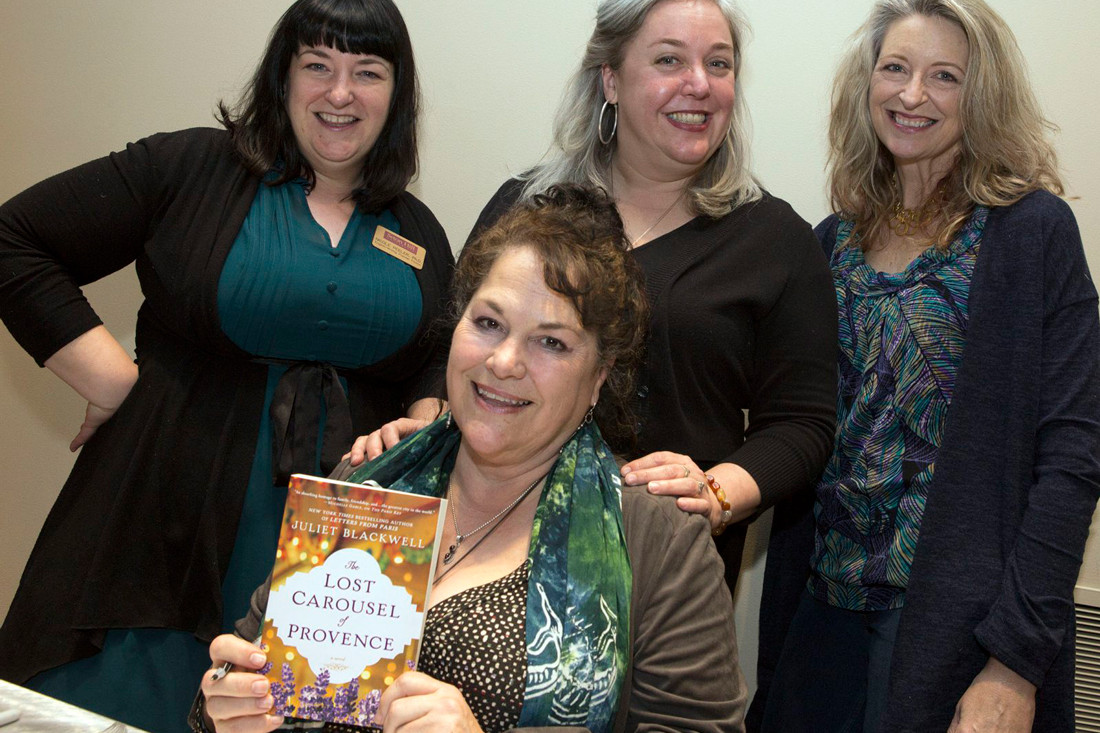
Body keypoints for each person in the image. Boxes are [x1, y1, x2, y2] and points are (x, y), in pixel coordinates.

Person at [0, 0, 453, 730]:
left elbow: (440, 344)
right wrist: (109, 378)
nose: (341, 93)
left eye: (367, 72)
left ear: (396, 97)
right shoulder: (192, 169)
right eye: (318, 66)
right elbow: (15, 238)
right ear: (282, 77)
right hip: (161, 528)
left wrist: (424, 422)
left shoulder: (415, 229)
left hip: (331, 574)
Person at [194, 185, 747, 733]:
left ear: (600, 377)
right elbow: (241, 664)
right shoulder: (369, 480)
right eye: (488, 323)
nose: (504, 361)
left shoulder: (656, 538)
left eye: (551, 342)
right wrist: (223, 705)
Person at [356, 0, 837, 607]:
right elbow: (450, 345)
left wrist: (715, 494)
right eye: (670, 59)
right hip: (483, 553)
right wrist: (423, 432)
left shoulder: (775, 241)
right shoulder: (526, 207)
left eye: (719, 64)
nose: (699, 83)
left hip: (654, 575)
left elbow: (803, 424)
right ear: (610, 78)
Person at [753, 0, 1100, 730]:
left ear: (983, 96)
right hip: (820, 615)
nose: (913, 95)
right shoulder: (828, 243)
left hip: (957, 633)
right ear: (868, 85)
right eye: (896, 69)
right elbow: (802, 431)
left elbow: (1072, 457)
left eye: (945, 76)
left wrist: (1014, 660)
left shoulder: (1032, 233)